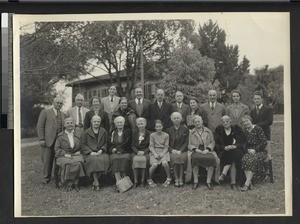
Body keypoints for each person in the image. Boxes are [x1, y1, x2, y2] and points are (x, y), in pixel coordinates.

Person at [36, 95, 66, 185]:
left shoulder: (64, 115)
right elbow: (40, 126)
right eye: (58, 102)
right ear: (54, 102)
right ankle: (46, 178)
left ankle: (57, 176)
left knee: (58, 159)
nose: (59, 104)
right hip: (48, 140)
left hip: (59, 142)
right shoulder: (45, 112)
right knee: (47, 160)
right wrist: (41, 139)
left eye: (61, 103)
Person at [214, 115, 246, 190]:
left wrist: (235, 146)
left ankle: (224, 174)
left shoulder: (236, 129)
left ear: (230, 121)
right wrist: (224, 147)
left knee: (233, 152)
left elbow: (242, 141)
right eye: (223, 122)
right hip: (223, 152)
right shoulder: (219, 130)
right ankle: (233, 183)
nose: (225, 123)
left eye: (227, 121)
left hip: (237, 150)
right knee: (232, 156)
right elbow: (217, 144)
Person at [54, 117, 85, 191]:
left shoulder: (79, 135)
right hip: (63, 155)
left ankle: (76, 182)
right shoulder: (60, 136)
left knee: (79, 162)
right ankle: (68, 183)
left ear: (74, 124)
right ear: (64, 125)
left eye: (71, 123)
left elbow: (83, 145)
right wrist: (64, 154)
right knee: (67, 163)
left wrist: (80, 151)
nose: (70, 124)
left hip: (76, 154)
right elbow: (57, 149)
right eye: (68, 123)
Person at [188, 115, 218, 190]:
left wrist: (207, 149)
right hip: (196, 150)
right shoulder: (192, 132)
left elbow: (212, 142)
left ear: (202, 122)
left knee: (212, 159)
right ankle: (195, 181)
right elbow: (189, 144)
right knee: (194, 158)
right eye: (195, 122)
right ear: (194, 123)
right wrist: (196, 149)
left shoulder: (208, 131)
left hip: (206, 150)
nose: (197, 123)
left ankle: (208, 181)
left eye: (199, 121)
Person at [81, 115, 110, 192]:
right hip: (90, 153)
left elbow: (107, 142)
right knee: (94, 161)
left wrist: (102, 150)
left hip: (101, 152)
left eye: (98, 121)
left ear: (100, 122)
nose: (96, 123)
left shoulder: (103, 131)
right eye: (95, 121)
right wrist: (90, 152)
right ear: (91, 122)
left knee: (105, 160)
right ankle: (96, 182)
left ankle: (95, 182)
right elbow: (83, 145)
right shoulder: (86, 132)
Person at [250, 90, 273, 179]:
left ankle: (268, 173)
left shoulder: (268, 109)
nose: (257, 100)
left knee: (267, 154)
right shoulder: (252, 111)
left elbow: (269, 121)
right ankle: (260, 171)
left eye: (258, 99)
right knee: (258, 153)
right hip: (256, 136)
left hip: (265, 134)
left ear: (262, 99)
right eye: (255, 99)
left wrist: (257, 125)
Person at [240, 115, 268, 191]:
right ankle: (250, 183)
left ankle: (246, 184)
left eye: (247, 121)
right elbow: (244, 144)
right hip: (249, 151)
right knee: (244, 159)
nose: (245, 123)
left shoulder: (258, 129)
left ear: (250, 120)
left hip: (260, 151)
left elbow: (264, 142)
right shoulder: (245, 131)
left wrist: (255, 150)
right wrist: (248, 150)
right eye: (244, 122)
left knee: (252, 160)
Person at [166, 112, 189, 187]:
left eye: (178, 118)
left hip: (182, 150)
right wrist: (172, 150)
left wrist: (181, 150)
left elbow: (186, 142)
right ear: (172, 120)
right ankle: (176, 178)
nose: (176, 120)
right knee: (175, 158)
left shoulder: (185, 129)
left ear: (181, 119)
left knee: (181, 157)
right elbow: (167, 143)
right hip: (172, 151)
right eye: (174, 118)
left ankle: (181, 178)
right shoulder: (168, 130)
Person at [148, 120, 171, 187]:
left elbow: (166, 146)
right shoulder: (152, 135)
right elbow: (151, 146)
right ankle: (149, 179)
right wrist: (154, 153)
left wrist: (162, 154)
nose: (158, 128)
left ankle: (169, 178)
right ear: (155, 127)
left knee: (164, 163)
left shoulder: (166, 135)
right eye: (157, 127)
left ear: (162, 127)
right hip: (154, 151)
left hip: (163, 152)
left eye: (160, 126)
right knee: (154, 164)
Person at [109, 116, 132, 185]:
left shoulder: (128, 132)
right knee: (115, 159)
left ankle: (125, 180)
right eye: (118, 122)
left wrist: (119, 149)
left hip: (125, 151)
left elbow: (128, 143)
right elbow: (109, 143)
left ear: (124, 123)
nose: (119, 124)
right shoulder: (112, 132)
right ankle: (118, 181)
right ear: (115, 124)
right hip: (115, 152)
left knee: (124, 159)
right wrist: (112, 149)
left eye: (121, 122)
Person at [131, 117, 151, 188]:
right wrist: (137, 152)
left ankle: (143, 180)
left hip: (145, 152)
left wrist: (144, 152)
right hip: (136, 152)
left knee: (144, 159)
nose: (140, 126)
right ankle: (136, 181)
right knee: (135, 159)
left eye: (142, 124)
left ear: (145, 124)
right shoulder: (134, 133)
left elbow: (150, 145)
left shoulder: (149, 133)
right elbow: (132, 145)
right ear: (137, 125)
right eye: (139, 124)